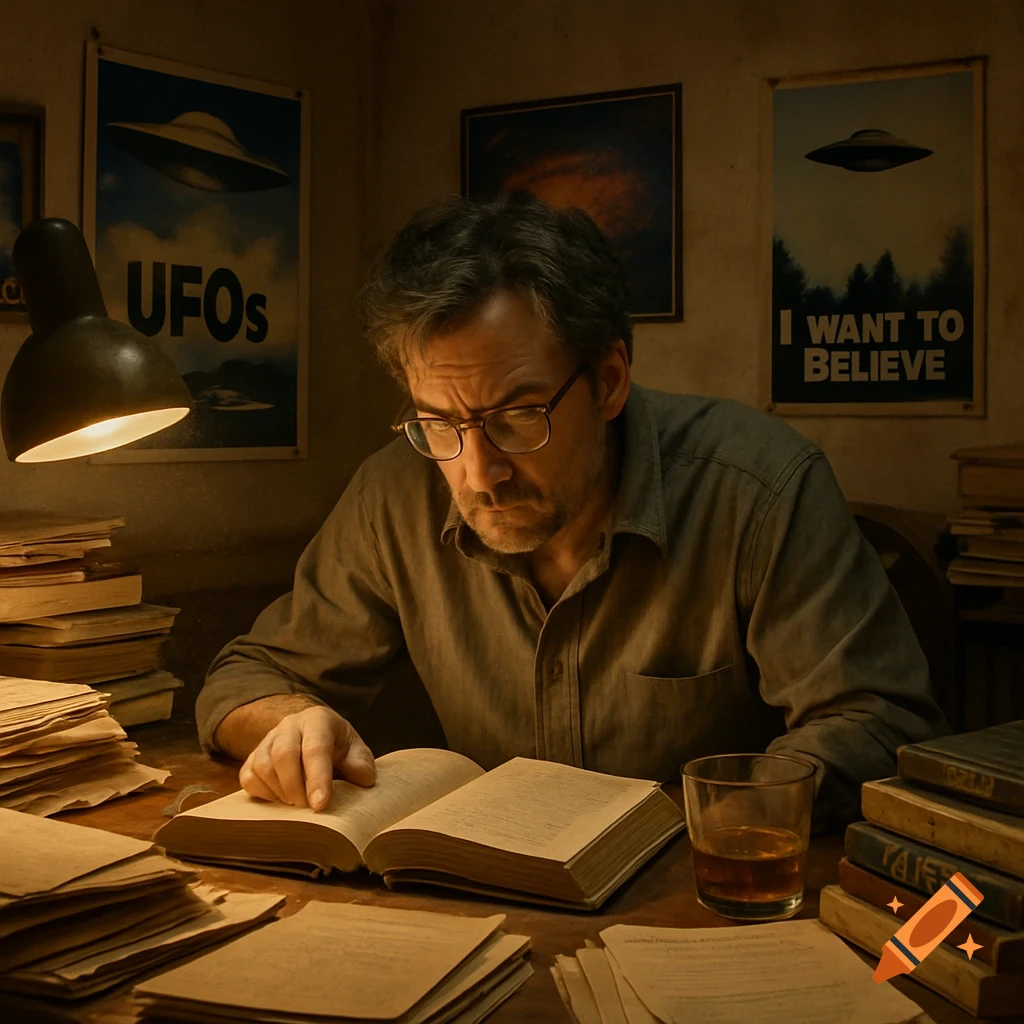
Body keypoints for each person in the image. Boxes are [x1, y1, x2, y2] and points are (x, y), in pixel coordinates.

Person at [196, 191, 946, 830]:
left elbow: (878, 723)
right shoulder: (395, 491)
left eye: (519, 416)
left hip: (697, 905)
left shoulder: (759, 490)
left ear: (610, 381)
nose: (478, 471)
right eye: (440, 423)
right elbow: (246, 674)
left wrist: (713, 819)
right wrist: (288, 723)